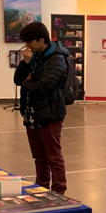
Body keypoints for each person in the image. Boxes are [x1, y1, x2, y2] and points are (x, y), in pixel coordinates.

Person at [14, 21, 70, 193]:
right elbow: (18, 80)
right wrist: (25, 64)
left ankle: (59, 190)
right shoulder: (34, 56)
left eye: (30, 41)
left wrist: (27, 82)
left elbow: (44, 86)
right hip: (32, 112)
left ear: (41, 39)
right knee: (39, 156)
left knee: (53, 156)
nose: (27, 45)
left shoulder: (57, 58)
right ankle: (41, 187)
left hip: (50, 113)